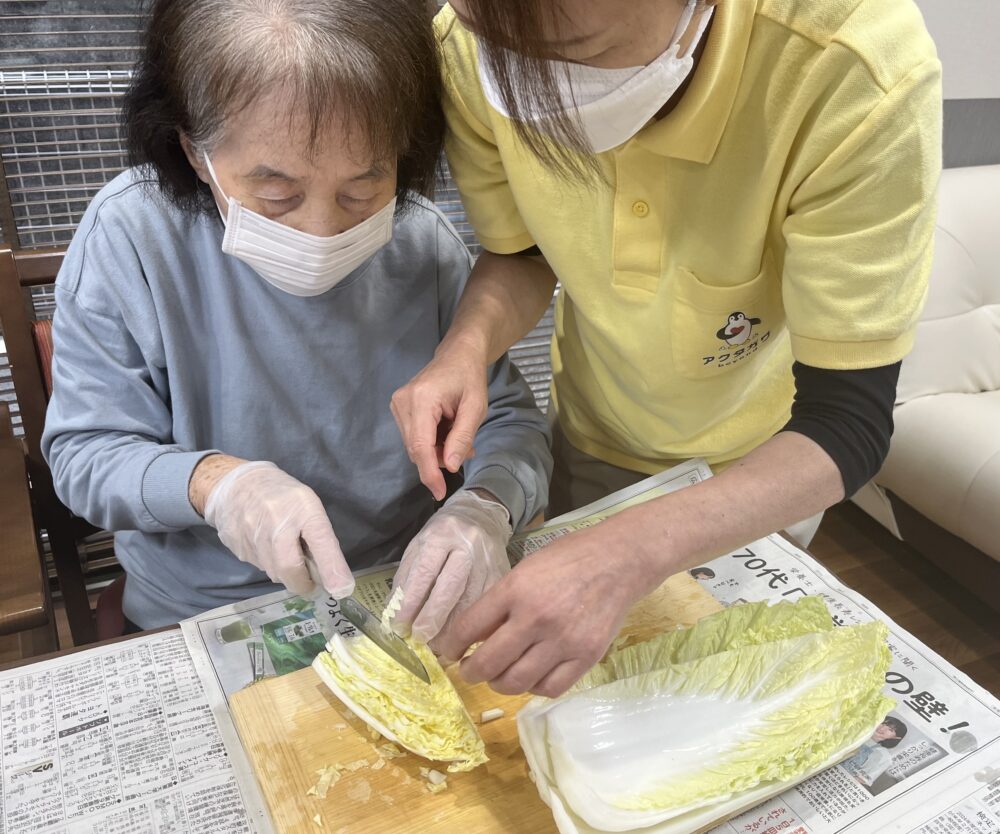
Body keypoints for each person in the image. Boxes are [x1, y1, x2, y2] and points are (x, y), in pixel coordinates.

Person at [388, 0, 942, 696]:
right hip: (593, 428)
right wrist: (464, 349)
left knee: (719, 689)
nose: (537, 91)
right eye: (504, 57)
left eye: (578, 51)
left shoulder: (854, 69)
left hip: (763, 465)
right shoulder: (474, 32)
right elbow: (522, 254)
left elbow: (848, 421)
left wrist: (631, 550)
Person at [41, 0, 551, 633]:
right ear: (195, 152)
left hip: (400, 592)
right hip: (211, 609)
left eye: (363, 188)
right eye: (278, 194)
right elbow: (86, 453)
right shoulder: (132, 239)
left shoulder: (421, 243)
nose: (323, 227)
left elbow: (506, 421)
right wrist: (217, 485)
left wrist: (485, 507)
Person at [842, 717, 908, 788]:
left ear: (896, 738)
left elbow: (863, 779)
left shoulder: (884, 755)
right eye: (883, 724)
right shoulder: (855, 731)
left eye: (890, 730)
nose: (882, 728)